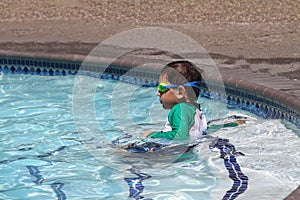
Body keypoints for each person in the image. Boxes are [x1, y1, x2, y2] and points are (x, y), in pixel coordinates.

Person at [143, 60, 207, 143]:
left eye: (162, 88)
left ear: (180, 92)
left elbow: (180, 136)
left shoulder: (180, 108)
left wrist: (152, 135)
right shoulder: (195, 110)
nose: (158, 93)